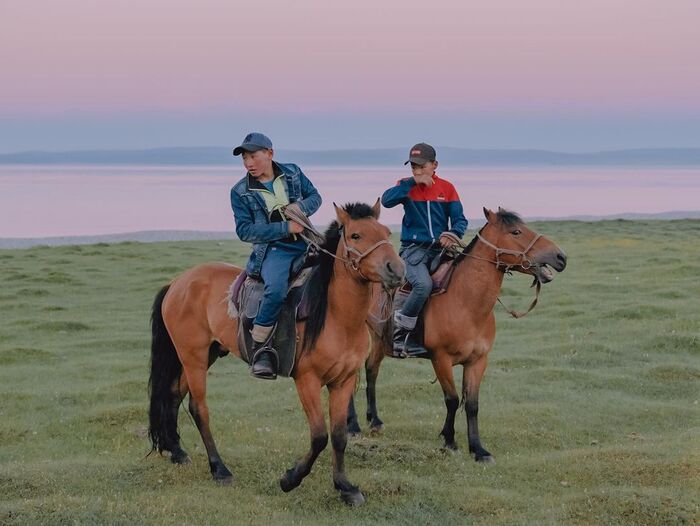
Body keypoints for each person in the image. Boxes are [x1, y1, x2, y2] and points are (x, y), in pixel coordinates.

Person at [230, 132, 322, 378]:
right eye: (245, 158)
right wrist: (285, 227)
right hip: (274, 250)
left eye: (253, 156)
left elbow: (315, 197)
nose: (249, 163)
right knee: (276, 289)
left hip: (306, 242)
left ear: (269, 154)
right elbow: (245, 231)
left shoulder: (292, 172)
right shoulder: (240, 191)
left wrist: (300, 208)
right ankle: (261, 348)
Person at [381, 142, 467, 357]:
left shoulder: (447, 188)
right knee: (422, 285)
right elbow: (386, 201)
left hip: (440, 251)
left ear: (434, 164)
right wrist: (411, 182)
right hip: (413, 251)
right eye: (413, 167)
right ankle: (400, 336)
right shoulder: (405, 185)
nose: (417, 170)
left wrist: (452, 234)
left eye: (421, 166)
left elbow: (460, 220)